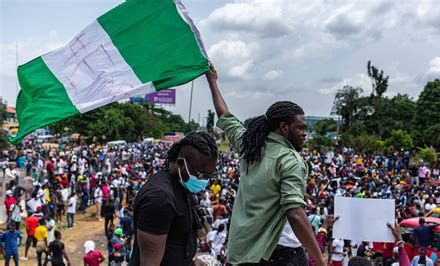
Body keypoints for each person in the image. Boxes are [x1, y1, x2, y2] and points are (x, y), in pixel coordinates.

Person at [207, 64, 323, 265]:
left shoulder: (248, 144)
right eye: (300, 128)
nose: (305, 134)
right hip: (282, 255)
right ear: (284, 127)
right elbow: (295, 213)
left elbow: (225, 117)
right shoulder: (290, 160)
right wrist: (320, 261)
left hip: (244, 252)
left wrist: (213, 82)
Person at [131, 132, 218, 265]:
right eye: (201, 175)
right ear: (180, 164)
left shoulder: (181, 185)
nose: (205, 181)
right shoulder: (160, 198)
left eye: (209, 176)